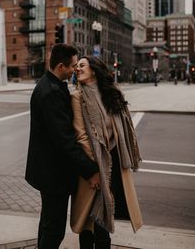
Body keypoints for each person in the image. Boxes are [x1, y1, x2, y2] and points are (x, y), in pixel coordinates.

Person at [25, 44, 99, 249]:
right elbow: (65, 140)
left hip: (48, 172)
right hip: (52, 174)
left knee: (48, 223)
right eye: (73, 66)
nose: (76, 69)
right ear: (60, 66)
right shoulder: (50, 93)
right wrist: (91, 170)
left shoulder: (51, 85)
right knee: (54, 229)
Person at [70, 56, 143, 249]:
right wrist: (95, 170)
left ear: (94, 70)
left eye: (82, 65)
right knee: (88, 221)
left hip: (113, 164)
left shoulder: (112, 93)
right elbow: (81, 135)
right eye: (76, 66)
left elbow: (123, 127)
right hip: (92, 166)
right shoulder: (77, 96)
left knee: (103, 222)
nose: (77, 68)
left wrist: (106, 166)